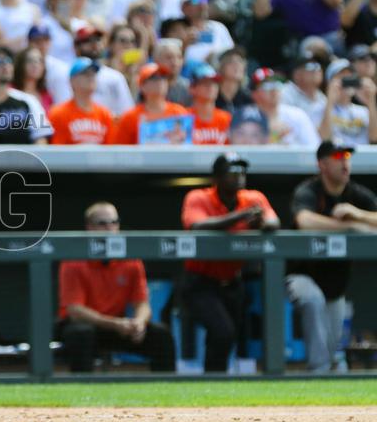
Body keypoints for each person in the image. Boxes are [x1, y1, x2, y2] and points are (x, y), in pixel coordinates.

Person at [181, 153, 279, 373]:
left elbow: (273, 221)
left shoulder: (253, 198)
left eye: (242, 172)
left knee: (227, 335)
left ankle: (214, 382)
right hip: (200, 282)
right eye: (232, 172)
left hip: (233, 282)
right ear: (217, 177)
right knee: (222, 331)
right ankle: (214, 380)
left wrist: (261, 223)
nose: (239, 176)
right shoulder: (198, 197)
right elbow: (196, 225)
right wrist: (240, 217)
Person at [287, 142, 377, 372]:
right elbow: (305, 221)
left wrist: (358, 215)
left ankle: (325, 374)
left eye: (347, 156)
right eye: (338, 156)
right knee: (313, 299)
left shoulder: (355, 194)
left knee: (332, 344)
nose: (345, 161)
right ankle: (318, 373)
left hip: (335, 285)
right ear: (323, 164)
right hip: (301, 275)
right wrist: (349, 227)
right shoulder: (309, 190)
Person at [58, 202, 175, 373]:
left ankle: (166, 393)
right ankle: (81, 393)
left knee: (161, 335)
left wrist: (139, 323)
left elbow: (142, 303)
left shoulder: (130, 259)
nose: (110, 228)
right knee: (81, 333)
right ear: (89, 227)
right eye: (102, 223)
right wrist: (115, 324)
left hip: (117, 325)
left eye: (114, 222)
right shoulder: (74, 259)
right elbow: (75, 311)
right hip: (82, 325)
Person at [111, 63, 190, 144]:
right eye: (154, 78)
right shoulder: (130, 117)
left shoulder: (179, 113)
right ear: (142, 86)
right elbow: (121, 151)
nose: (160, 81)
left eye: (163, 77)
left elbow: (187, 147)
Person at [250, 58, 321, 146]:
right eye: (267, 86)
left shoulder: (297, 115)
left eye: (277, 84)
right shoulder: (248, 117)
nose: (274, 89)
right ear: (254, 94)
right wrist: (275, 136)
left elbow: (314, 147)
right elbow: (246, 150)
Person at [47, 58, 114, 145]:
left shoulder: (104, 114)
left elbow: (111, 151)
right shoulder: (58, 114)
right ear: (72, 81)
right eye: (85, 74)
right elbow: (57, 152)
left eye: (93, 74)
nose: (91, 77)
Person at [319, 65, 377, 146]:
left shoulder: (363, 111)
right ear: (330, 82)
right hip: (337, 156)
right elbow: (324, 138)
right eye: (343, 78)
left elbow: (374, 138)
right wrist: (330, 101)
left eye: (351, 77)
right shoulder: (320, 108)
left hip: (363, 156)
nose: (348, 81)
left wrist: (371, 102)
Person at [188, 63, 231, 145]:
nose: (210, 86)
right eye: (204, 83)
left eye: (214, 83)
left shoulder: (227, 119)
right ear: (192, 88)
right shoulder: (183, 118)